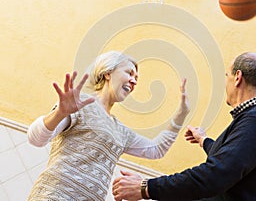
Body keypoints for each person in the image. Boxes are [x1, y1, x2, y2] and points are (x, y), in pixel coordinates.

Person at [112, 52, 256, 201]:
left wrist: (146, 188)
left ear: (238, 78)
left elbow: (215, 175)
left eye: (227, 76)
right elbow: (232, 159)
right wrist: (203, 140)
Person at [26, 50, 190, 201]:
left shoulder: (121, 131)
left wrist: (181, 115)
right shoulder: (80, 104)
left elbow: (156, 149)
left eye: (136, 79)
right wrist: (59, 113)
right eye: (129, 73)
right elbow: (36, 139)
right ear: (107, 73)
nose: (134, 81)